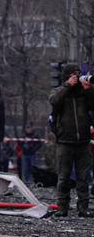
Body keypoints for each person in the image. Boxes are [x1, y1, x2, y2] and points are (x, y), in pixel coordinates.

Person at [48, 65, 94, 217]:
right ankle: (62, 208)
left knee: (83, 178)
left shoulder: (83, 93)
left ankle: (83, 209)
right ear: (67, 76)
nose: (77, 76)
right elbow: (54, 101)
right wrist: (68, 85)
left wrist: (89, 89)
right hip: (65, 141)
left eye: (78, 74)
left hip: (83, 141)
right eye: (74, 74)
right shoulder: (60, 91)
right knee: (64, 178)